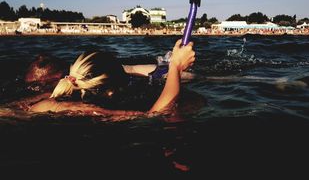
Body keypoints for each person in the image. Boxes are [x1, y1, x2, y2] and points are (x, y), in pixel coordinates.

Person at [11, 39, 196, 120]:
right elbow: (155, 113)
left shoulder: (48, 101)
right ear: (110, 91)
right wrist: (175, 67)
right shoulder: (89, 110)